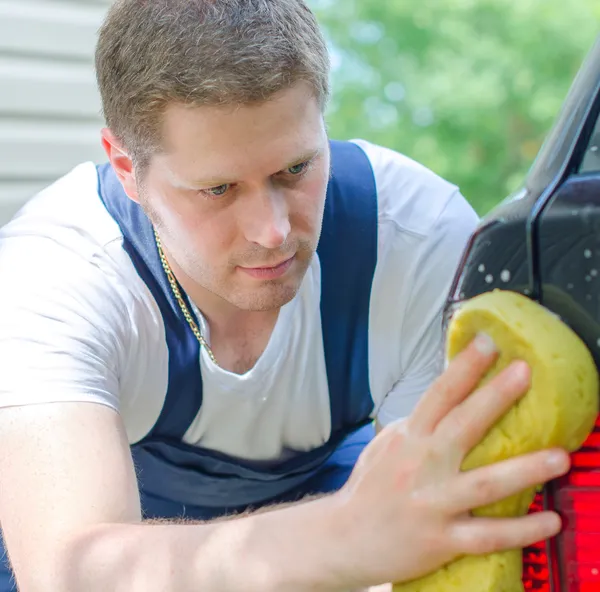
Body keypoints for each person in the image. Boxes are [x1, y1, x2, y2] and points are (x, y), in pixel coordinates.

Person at [0, 1, 571, 590]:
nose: (272, 231)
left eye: (296, 169)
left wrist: (357, 534)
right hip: (148, 534)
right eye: (218, 188)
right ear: (126, 166)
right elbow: (68, 570)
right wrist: (339, 536)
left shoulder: (417, 236)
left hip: (341, 495)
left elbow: (437, 518)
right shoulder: (55, 273)